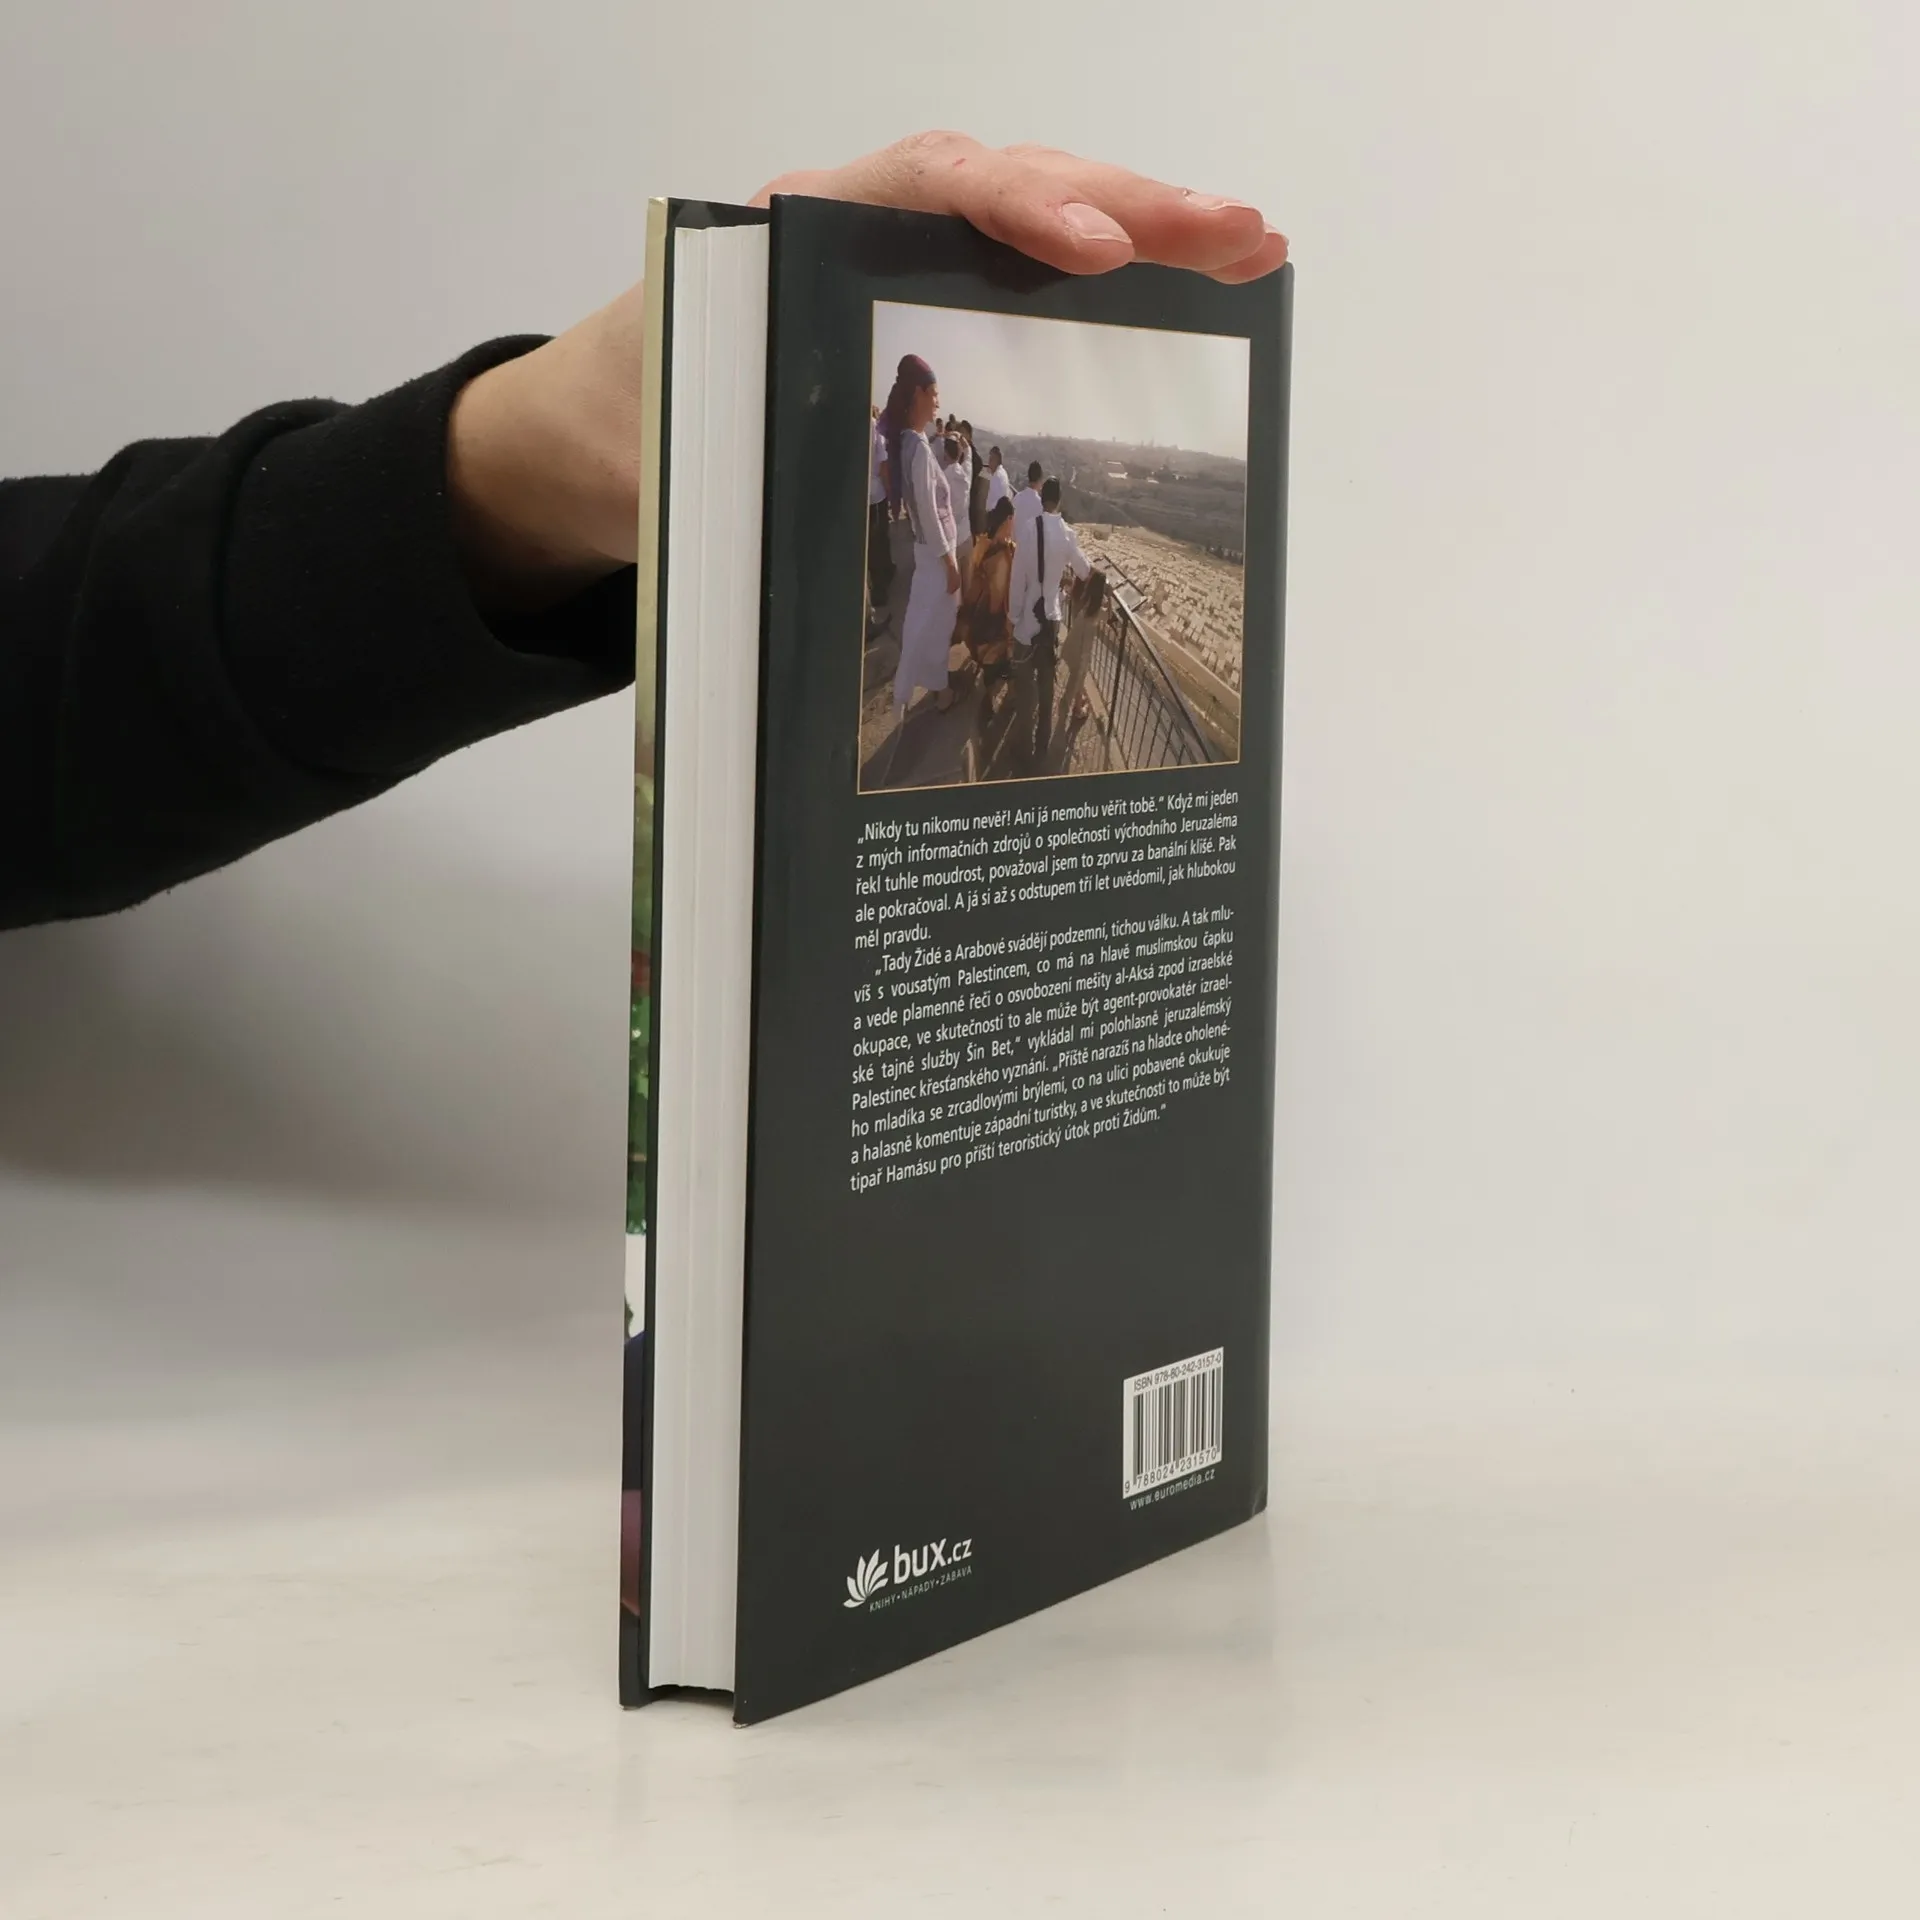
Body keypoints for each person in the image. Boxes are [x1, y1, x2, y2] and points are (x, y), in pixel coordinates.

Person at [1, 131, 1286, 932]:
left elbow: (63, 665)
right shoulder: (931, 461)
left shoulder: (932, 459)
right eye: (935, 395)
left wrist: (502, 472)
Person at [883, 358, 961, 717]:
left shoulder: (909, 443)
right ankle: (909, 693)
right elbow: (929, 513)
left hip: (931, 553)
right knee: (928, 629)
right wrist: (950, 563)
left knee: (929, 626)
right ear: (918, 394)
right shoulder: (918, 449)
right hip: (936, 556)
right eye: (934, 394)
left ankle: (932, 688)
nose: (938, 402)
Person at [1009, 477, 1092, 772]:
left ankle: (1022, 749)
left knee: (1024, 691)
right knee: (1046, 692)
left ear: (1042, 496)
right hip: (1050, 621)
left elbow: (1017, 578)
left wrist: (1013, 616)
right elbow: (1084, 571)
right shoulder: (1068, 534)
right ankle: (1041, 749)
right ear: (1060, 501)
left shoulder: (1028, 529)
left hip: (1026, 623)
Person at [865, 403, 893, 623]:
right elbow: (883, 466)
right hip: (876, 497)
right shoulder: (876, 429)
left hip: (866, 496)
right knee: (879, 543)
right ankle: (881, 590)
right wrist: (890, 493)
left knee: (873, 545)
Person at [940, 433, 975, 592]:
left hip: (951, 540)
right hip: (966, 536)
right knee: (967, 585)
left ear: (945, 454)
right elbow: (969, 454)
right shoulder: (966, 473)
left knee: (954, 589)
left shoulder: (941, 479)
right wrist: (960, 437)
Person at [982, 447, 1012, 516]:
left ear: (996, 460)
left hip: (995, 515)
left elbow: (992, 502)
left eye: (991, 460)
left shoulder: (997, 477)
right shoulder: (1003, 473)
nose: (989, 463)